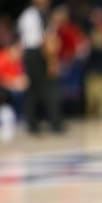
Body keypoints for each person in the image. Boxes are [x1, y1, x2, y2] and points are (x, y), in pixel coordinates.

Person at [17, 0, 64, 134]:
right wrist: (51, 60)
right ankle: (54, 123)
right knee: (46, 88)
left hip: (36, 53)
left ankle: (33, 124)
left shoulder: (40, 14)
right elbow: (42, 39)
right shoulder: (30, 15)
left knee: (34, 90)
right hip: (35, 54)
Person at [0, 35, 28, 143]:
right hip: (4, 88)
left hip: (13, 87)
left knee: (21, 93)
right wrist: (13, 83)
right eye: (18, 49)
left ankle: (19, 118)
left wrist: (21, 82)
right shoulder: (2, 58)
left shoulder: (18, 61)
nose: (20, 52)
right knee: (13, 94)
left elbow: (22, 76)